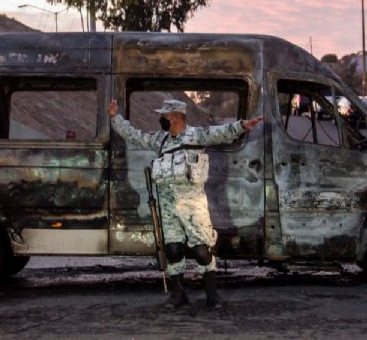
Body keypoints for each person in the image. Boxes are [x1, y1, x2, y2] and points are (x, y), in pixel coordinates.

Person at [108, 98, 263, 310]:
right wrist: (115, 117)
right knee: (172, 249)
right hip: (167, 203)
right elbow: (135, 135)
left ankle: (212, 295)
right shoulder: (160, 140)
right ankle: (178, 295)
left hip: (192, 204)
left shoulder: (196, 135)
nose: (161, 118)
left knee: (201, 250)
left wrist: (242, 126)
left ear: (177, 116)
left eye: (165, 115)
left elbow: (220, 133)